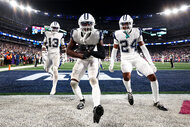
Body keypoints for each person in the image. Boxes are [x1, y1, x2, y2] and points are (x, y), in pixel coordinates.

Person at [109, 14, 168, 111]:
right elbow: (114, 50)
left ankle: (156, 101)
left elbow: (143, 47)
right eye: (123, 24)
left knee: (153, 77)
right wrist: (112, 62)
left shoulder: (137, 31)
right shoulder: (117, 34)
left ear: (131, 24)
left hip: (136, 57)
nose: (125, 26)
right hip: (125, 58)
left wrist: (151, 63)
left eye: (127, 24)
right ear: (120, 25)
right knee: (127, 76)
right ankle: (129, 92)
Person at [66, 13, 105, 123]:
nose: (87, 26)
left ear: (93, 24)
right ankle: (81, 99)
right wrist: (81, 55)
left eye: (89, 23)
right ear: (80, 24)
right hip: (82, 58)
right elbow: (68, 51)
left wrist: (91, 52)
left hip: (93, 59)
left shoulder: (97, 34)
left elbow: (102, 54)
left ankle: (96, 107)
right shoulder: (75, 33)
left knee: (93, 80)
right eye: (84, 23)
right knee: (73, 83)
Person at [42, 21, 65, 95]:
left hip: (56, 54)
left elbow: (63, 45)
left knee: (55, 69)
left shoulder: (61, 35)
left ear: (58, 29)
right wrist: (43, 53)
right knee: (46, 69)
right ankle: (51, 74)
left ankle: (54, 87)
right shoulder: (47, 33)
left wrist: (64, 55)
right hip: (49, 54)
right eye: (53, 28)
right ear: (51, 28)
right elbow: (44, 44)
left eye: (56, 28)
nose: (54, 29)